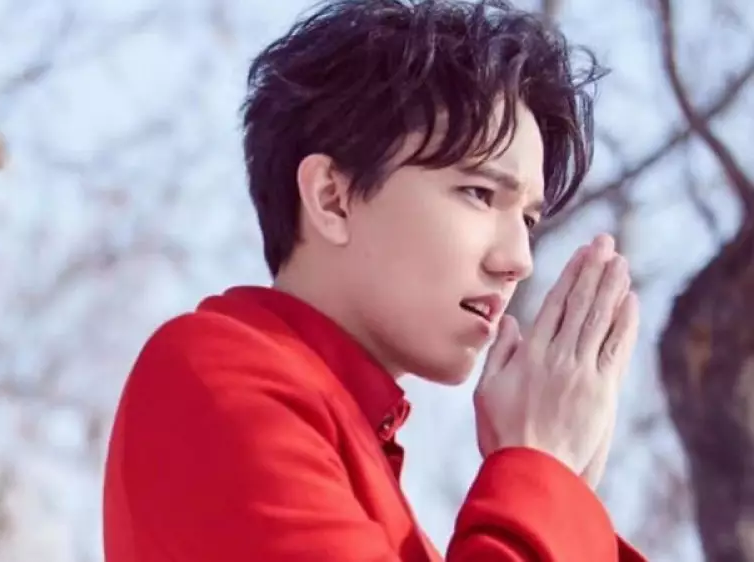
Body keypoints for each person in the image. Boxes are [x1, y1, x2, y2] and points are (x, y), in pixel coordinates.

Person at [103, 0, 645, 560]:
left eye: (528, 221)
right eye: (480, 193)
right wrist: (543, 473)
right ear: (332, 199)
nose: (518, 260)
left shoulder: (372, 469)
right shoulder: (213, 369)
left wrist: (561, 492)